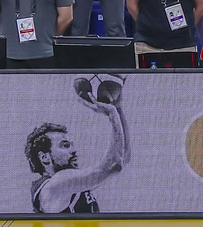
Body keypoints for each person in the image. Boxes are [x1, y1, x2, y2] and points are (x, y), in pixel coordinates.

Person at [26, 82, 129, 214]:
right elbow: (113, 165)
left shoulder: (72, 184)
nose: (73, 150)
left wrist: (118, 109)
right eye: (65, 146)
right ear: (44, 157)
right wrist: (112, 114)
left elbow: (122, 157)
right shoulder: (55, 185)